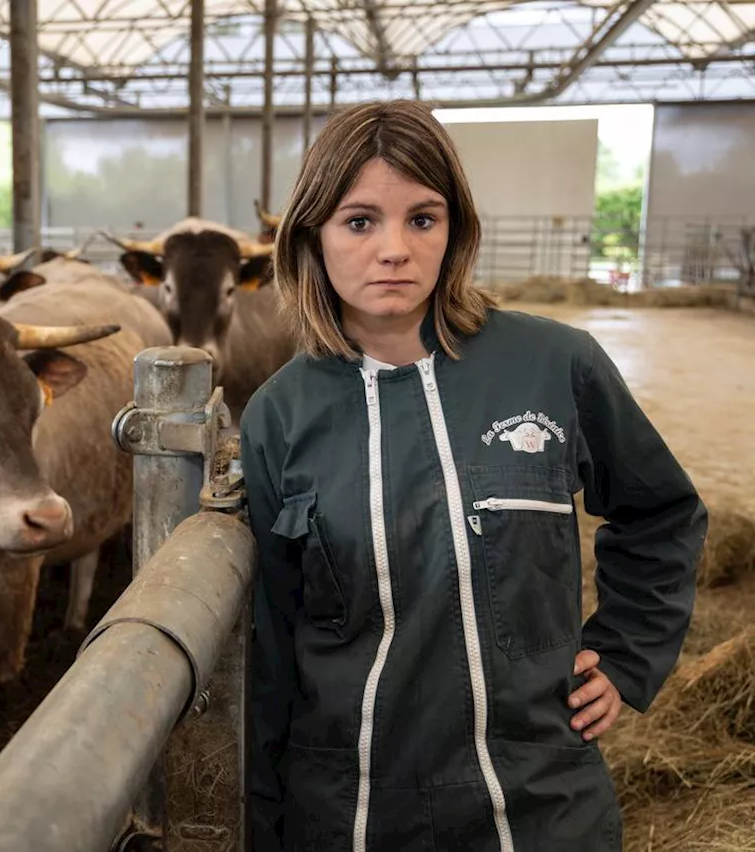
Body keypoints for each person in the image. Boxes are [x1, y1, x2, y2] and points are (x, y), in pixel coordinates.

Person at [240, 99, 708, 852]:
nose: (394, 249)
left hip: (539, 799)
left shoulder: (556, 365)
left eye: (422, 219)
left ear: (455, 229)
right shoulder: (278, 416)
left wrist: (623, 654)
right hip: (353, 807)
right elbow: (269, 642)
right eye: (360, 221)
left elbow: (662, 512)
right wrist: (264, 823)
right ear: (311, 234)